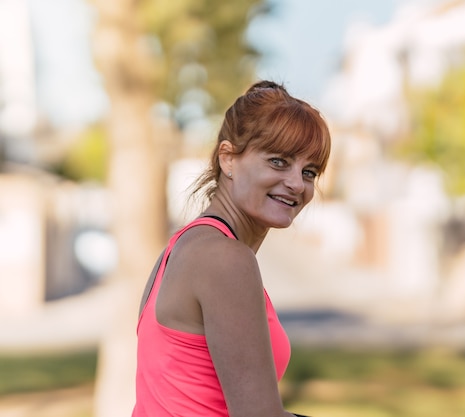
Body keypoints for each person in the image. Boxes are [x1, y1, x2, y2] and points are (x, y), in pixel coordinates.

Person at [132, 80, 331, 417]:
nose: (298, 183)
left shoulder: (185, 245)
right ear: (228, 159)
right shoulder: (224, 258)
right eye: (279, 162)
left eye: (309, 171)